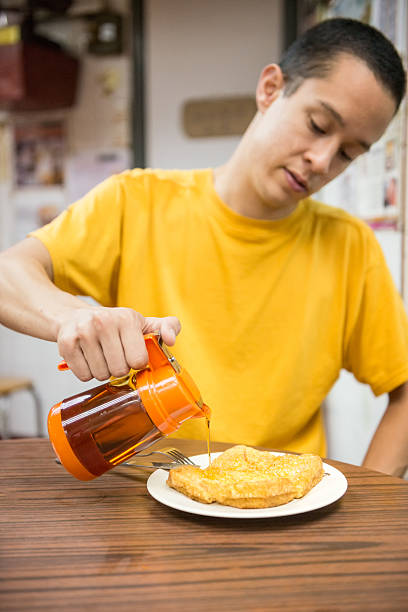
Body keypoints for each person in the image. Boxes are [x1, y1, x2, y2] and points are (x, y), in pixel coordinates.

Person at [1, 18, 408, 476]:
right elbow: (8, 274)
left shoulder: (350, 247)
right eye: (317, 125)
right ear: (271, 89)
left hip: (283, 510)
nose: (321, 161)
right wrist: (69, 316)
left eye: (348, 154)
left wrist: (373, 502)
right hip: (143, 501)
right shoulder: (135, 201)